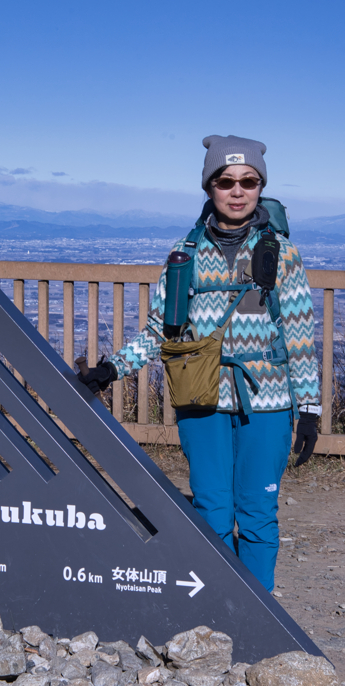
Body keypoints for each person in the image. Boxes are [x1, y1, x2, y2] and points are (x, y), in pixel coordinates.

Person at [77, 134, 320, 593]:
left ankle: (258, 614)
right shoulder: (183, 255)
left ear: (260, 187)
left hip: (266, 401)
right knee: (211, 511)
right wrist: (112, 369)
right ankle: (217, 609)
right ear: (209, 186)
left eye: (248, 181)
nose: (237, 190)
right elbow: (159, 332)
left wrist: (308, 408)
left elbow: (299, 335)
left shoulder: (283, 255)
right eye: (225, 180)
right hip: (200, 399)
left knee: (258, 514)